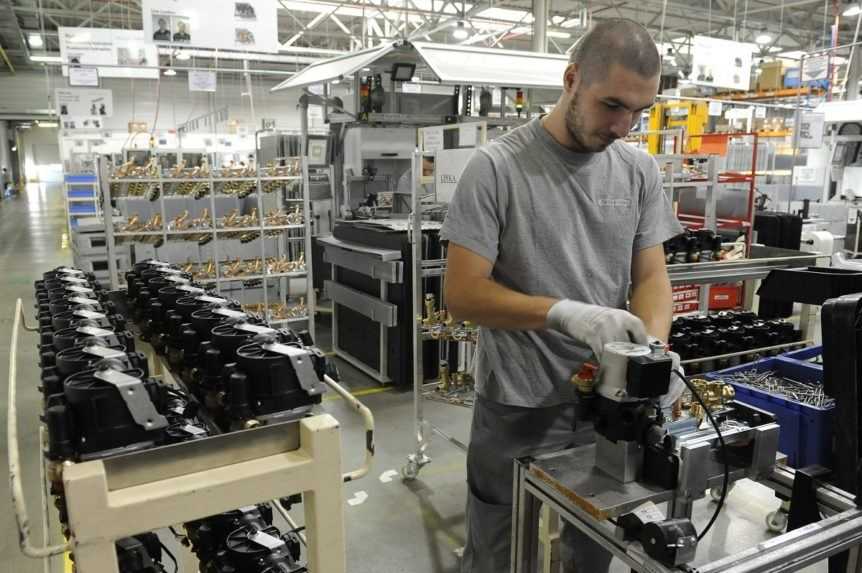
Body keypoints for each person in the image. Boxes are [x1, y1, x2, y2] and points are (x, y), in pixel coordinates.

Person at [440, 19, 685, 573]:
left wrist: (650, 350)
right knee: (501, 547)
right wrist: (563, 314)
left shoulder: (638, 171)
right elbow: (462, 294)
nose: (623, 126)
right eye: (612, 105)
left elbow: (651, 279)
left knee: (593, 542)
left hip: (608, 403)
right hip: (520, 402)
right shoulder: (496, 168)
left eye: (638, 112)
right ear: (572, 79)